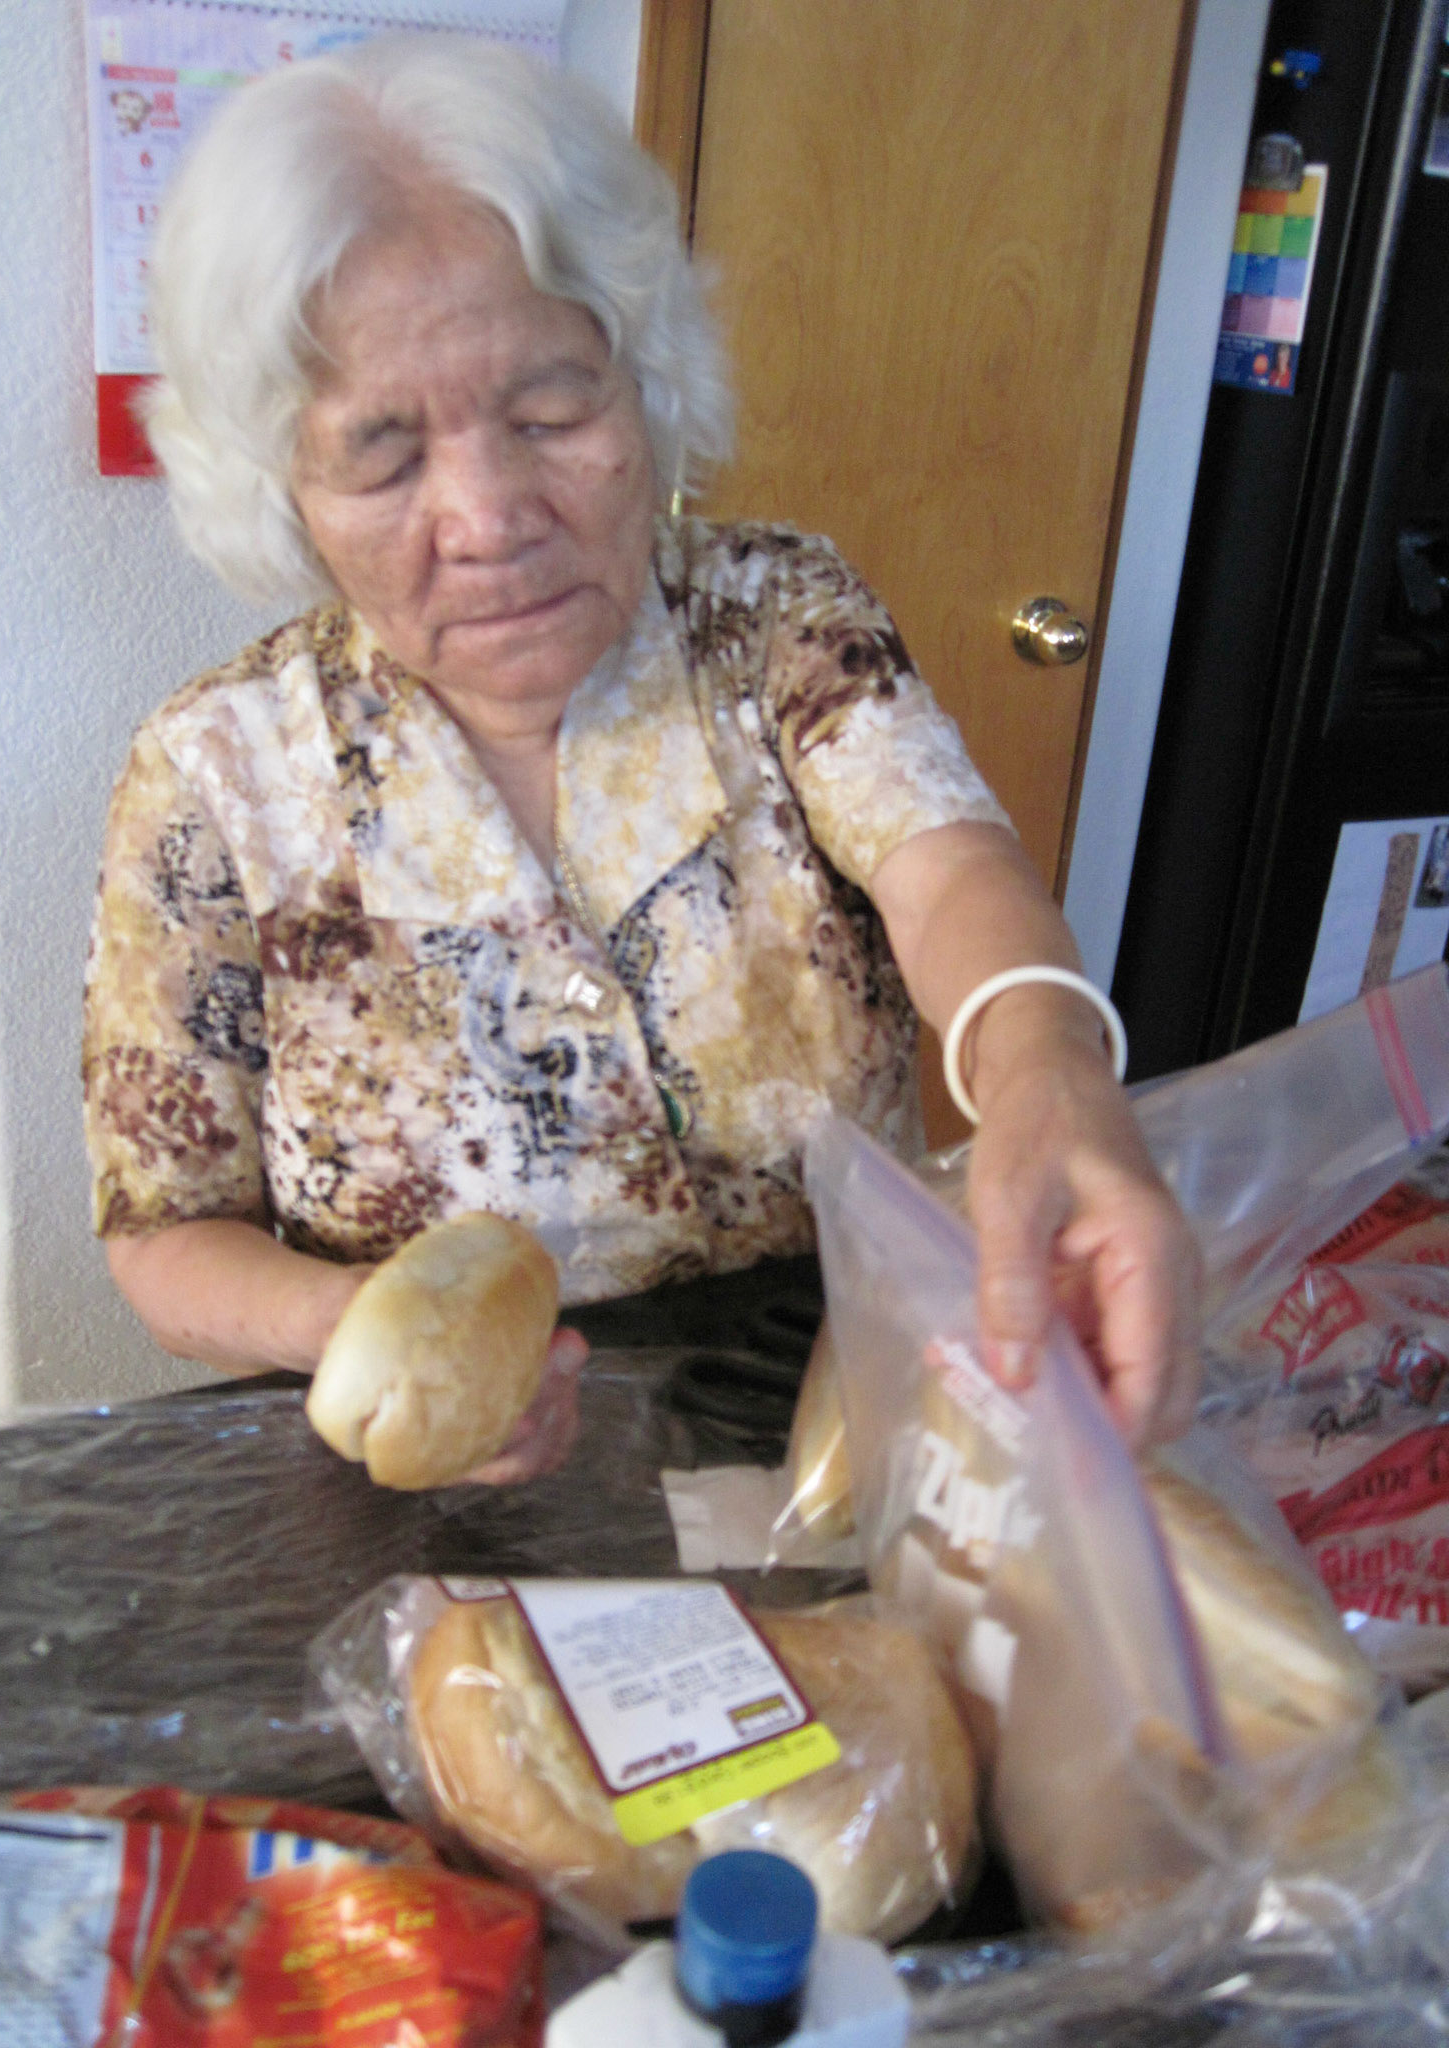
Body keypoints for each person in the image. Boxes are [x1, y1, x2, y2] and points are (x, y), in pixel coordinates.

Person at [83, 36, 1200, 1479]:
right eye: (385, 455)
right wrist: (374, 1333)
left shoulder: (779, 621)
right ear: (284, 489)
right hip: (423, 1490)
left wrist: (1053, 1072)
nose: (489, 515)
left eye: (551, 411)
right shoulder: (214, 772)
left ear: (645, 383)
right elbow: (164, 1233)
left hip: (827, 1425)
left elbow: (944, 872)